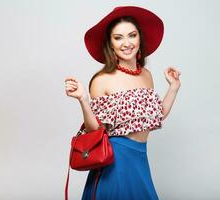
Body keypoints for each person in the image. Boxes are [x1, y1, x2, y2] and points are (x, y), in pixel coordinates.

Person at [64, 6, 181, 200]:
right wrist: (83, 100)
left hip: (140, 159)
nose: (126, 43)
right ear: (110, 44)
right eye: (118, 38)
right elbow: (96, 131)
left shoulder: (146, 75)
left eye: (132, 35)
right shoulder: (102, 80)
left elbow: (156, 115)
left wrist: (174, 88)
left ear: (139, 39)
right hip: (116, 162)